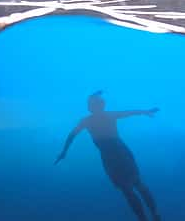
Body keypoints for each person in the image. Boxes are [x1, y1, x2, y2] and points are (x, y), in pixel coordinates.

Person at [55, 91, 161, 221]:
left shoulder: (88, 120)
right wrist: (145, 111)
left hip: (113, 156)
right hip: (118, 154)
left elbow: (72, 135)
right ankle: (153, 216)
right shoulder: (101, 117)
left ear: (93, 106)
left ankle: (150, 216)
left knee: (131, 189)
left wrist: (64, 152)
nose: (98, 105)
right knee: (135, 187)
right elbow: (130, 112)